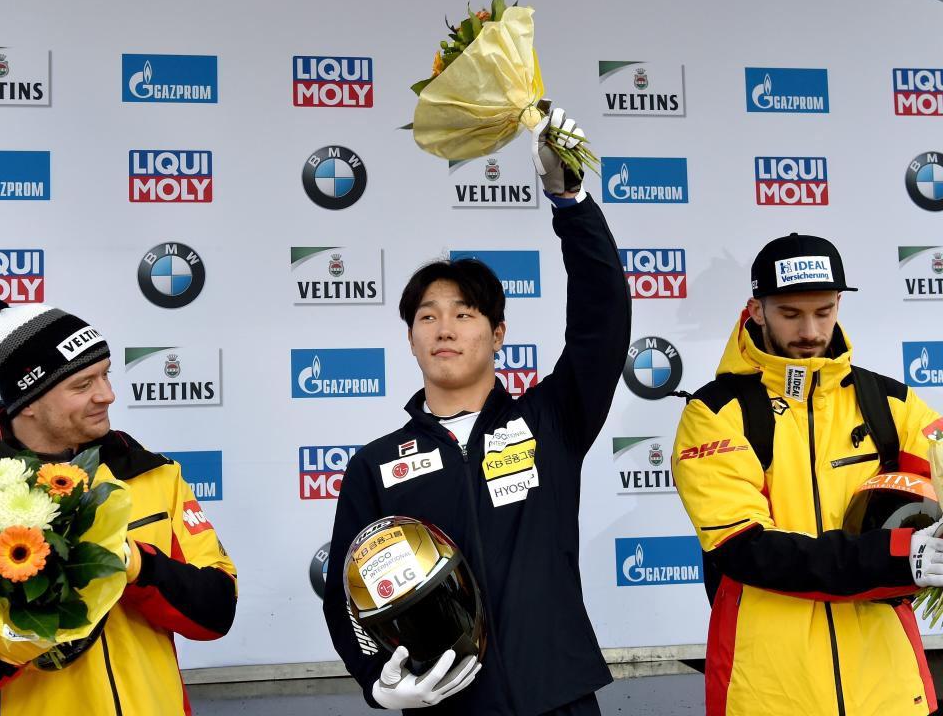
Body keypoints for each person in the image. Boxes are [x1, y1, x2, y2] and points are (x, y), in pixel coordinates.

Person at [323, 108, 631, 715]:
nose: (444, 328)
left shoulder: (552, 420)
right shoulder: (376, 466)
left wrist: (571, 204)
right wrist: (377, 683)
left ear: (498, 334)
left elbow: (603, 319)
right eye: (427, 316)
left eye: (464, 314)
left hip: (559, 696)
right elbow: (345, 592)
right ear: (410, 339)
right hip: (447, 703)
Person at [673, 233, 943, 716]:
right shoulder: (716, 412)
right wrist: (904, 557)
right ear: (757, 310)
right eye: (791, 314)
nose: (811, 330)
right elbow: (747, 549)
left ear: (839, 303)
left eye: (823, 311)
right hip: (768, 688)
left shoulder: (889, 401)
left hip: (889, 685)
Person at [0, 298, 238, 715]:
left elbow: (217, 611)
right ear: (27, 400)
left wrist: (135, 563)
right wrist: (12, 641)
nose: (108, 395)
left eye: (106, 375)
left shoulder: (153, 474)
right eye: (82, 385)